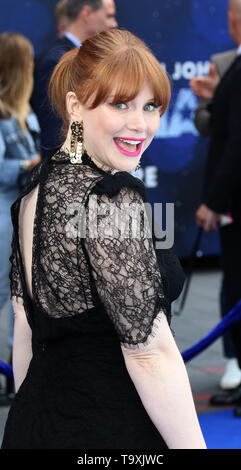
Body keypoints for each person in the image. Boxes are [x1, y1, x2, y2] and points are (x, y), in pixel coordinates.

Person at [1, 29, 206, 449]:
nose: (141, 124)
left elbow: (25, 330)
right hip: (111, 430)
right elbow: (149, 355)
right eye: (120, 104)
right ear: (76, 107)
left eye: (151, 106)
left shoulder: (36, 190)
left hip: (33, 427)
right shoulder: (111, 200)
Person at [190, 0, 241, 415]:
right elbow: (216, 128)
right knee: (234, 283)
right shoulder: (228, 64)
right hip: (231, 198)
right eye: (229, 14)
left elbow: (237, 143)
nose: (232, 21)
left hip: (234, 198)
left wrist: (215, 200)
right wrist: (211, 98)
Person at [0, 33, 41, 405]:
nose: (33, 67)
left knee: (22, 300)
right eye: (27, 60)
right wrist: (28, 164)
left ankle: (19, 376)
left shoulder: (22, 109)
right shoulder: (2, 110)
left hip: (22, 213)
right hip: (2, 216)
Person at [32, 0, 118, 159]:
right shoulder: (58, 61)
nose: (114, 24)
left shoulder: (86, 57)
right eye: (109, 16)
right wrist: (71, 172)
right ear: (87, 14)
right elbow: (56, 128)